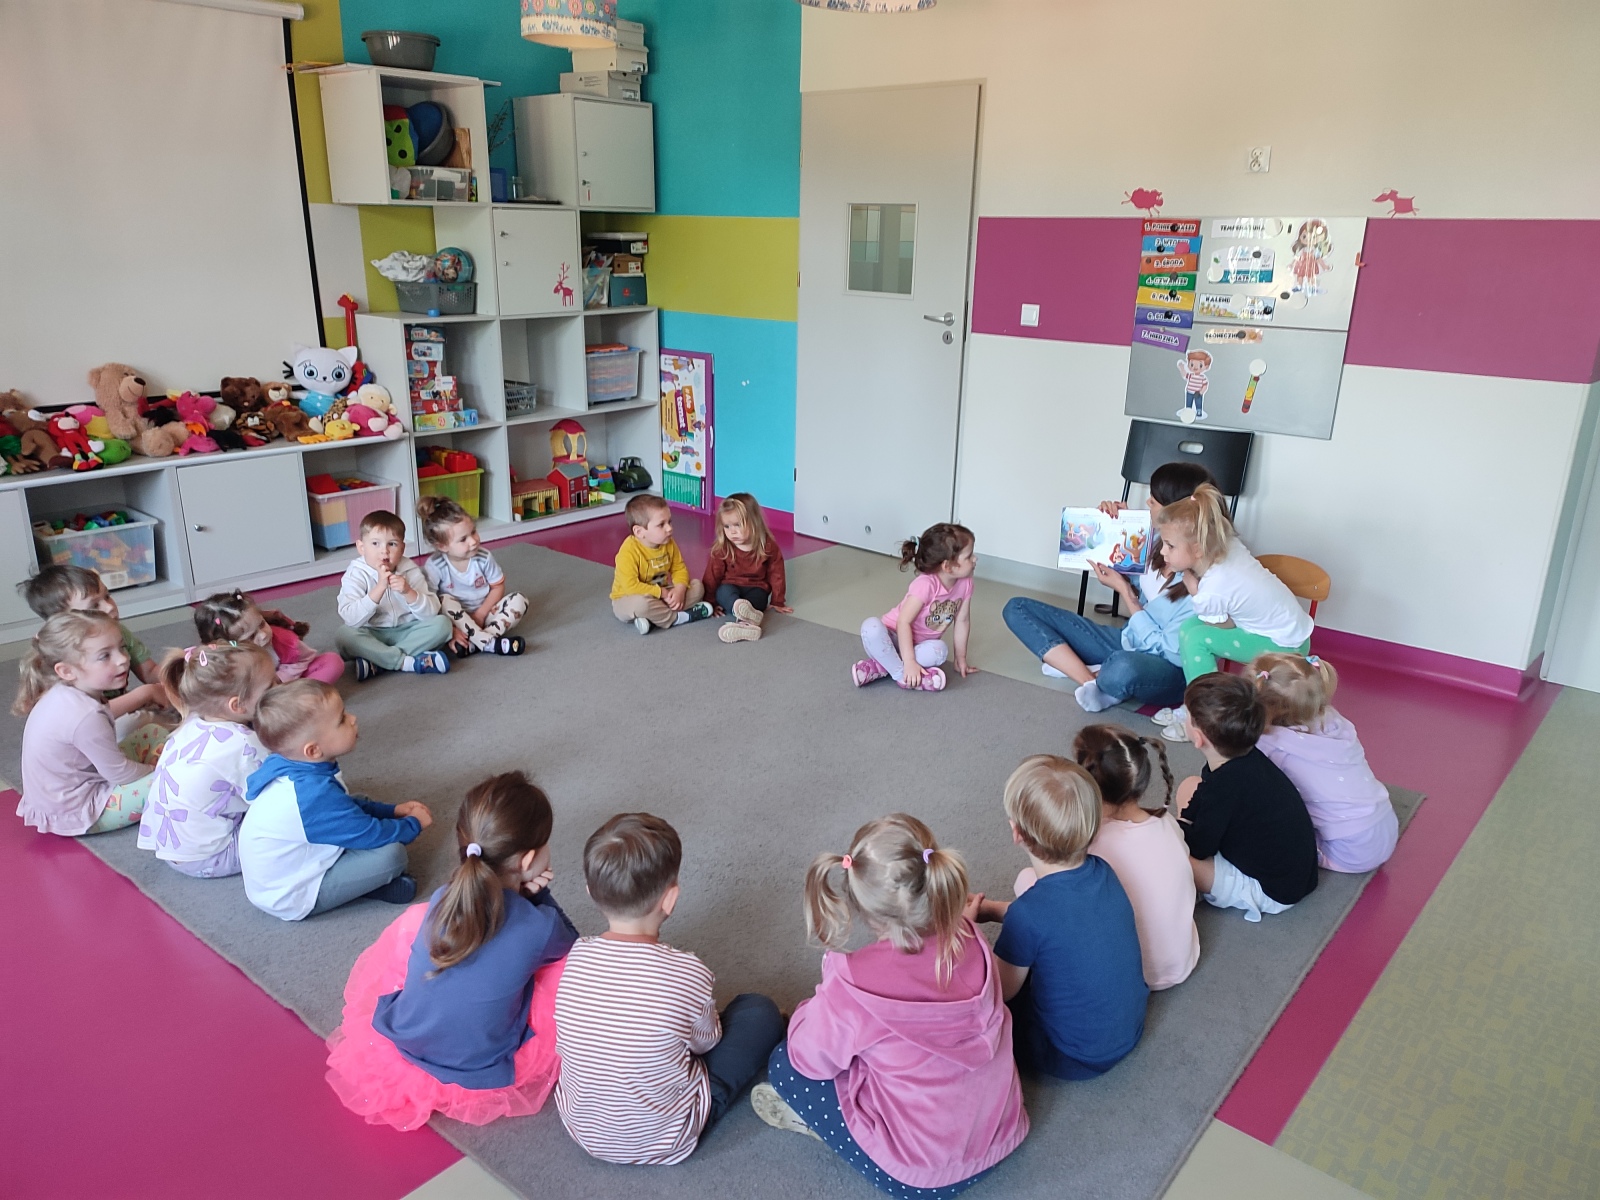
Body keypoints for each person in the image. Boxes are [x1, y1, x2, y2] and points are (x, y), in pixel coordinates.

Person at [753, 814, 1027, 1197]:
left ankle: (833, 1131)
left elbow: (807, 1057)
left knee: (784, 1065)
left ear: (860, 906)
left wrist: (821, 996)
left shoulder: (852, 983)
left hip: (922, 1177)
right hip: (1004, 1131)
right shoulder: (968, 934)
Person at [325, 771, 577, 1131]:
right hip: (478, 1061)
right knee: (568, 969)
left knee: (418, 928)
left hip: (410, 1037)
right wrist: (540, 897)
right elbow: (571, 943)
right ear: (527, 860)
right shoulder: (540, 925)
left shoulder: (444, 896)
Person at [554, 812, 784, 1165]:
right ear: (670, 899)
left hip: (584, 1130)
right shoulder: (689, 971)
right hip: (666, 1137)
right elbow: (707, 1042)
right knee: (759, 1013)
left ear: (590, 893)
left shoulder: (576, 957)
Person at [974, 758, 1148, 1080]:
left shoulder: (1029, 914)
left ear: (1016, 832)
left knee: (983, 1013)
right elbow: (1062, 922)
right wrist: (996, 910)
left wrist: (965, 932)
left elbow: (1002, 991)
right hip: (1128, 1031)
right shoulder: (1104, 871)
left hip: (1071, 1056)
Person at [1002, 461, 1217, 713]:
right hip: (1127, 639)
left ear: (1176, 510)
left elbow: (1169, 652)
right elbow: (1140, 583)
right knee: (1017, 608)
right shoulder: (1161, 542)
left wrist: (1125, 593)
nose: (1147, 502)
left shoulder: (1202, 580)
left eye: (1154, 500)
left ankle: (1077, 665)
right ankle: (1089, 679)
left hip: (1164, 667)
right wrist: (1120, 526)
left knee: (1123, 667)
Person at [239, 680, 431, 920]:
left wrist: (392, 811)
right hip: (291, 895)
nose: (353, 719)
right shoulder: (311, 795)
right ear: (313, 750)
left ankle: (362, 882)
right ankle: (367, 886)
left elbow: (344, 805)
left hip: (301, 859)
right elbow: (371, 834)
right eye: (342, 719)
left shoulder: (295, 764)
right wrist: (413, 824)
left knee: (355, 801)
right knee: (392, 856)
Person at [1154, 483, 1313, 741]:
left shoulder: (1212, 590)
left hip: (1284, 645)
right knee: (1189, 627)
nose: (1163, 551)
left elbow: (1225, 625)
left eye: (1170, 546)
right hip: (1290, 630)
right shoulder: (1228, 545)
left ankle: (1204, 716)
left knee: (1197, 639)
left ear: (1198, 549)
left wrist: (1194, 591)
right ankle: (1193, 704)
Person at [1174, 673, 1319, 922]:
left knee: (1171, 855)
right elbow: (1205, 794)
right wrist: (1184, 823)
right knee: (1190, 786)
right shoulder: (1245, 758)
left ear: (1198, 738)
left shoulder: (1224, 788)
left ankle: (1193, 888)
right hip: (1293, 872)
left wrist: (1172, 831)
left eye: (1186, 714)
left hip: (1271, 891)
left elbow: (1199, 847)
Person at [13, 611, 169, 835]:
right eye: (105, 656)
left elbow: (104, 718)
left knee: (152, 731)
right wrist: (156, 770)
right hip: (80, 811)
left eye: (122, 647)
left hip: (67, 793)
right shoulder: (85, 715)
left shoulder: (66, 691)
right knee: (172, 779)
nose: (123, 659)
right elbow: (120, 774)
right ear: (67, 670)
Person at [135, 642, 275, 877]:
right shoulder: (243, 744)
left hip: (171, 849)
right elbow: (271, 798)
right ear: (237, 705)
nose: (282, 687)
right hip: (212, 857)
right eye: (271, 686)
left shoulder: (191, 723)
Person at [1074, 725, 1198, 990]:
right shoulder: (1167, 822)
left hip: (1133, 972)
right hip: (1182, 961)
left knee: (1033, 880)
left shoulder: (1092, 844)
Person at [1253, 652, 1398, 873]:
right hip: (1385, 824)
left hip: (1350, 851)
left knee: (1260, 830)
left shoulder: (1268, 742)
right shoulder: (1333, 719)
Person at [19, 563, 170, 732]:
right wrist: (144, 694)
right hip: (87, 727)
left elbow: (149, 672)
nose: (109, 606)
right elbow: (85, 717)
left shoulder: (115, 631)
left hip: (110, 713)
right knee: (148, 723)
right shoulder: (57, 654)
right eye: (94, 606)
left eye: (107, 596)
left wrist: (179, 669)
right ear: (63, 620)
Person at [853, 523, 978, 692]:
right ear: (948, 566)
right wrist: (910, 661)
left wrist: (960, 658)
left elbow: (962, 620)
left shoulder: (966, 583)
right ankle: (901, 675)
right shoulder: (925, 584)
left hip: (919, 645)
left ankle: (883, 666)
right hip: (891, 638)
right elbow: (903, 622)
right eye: (969, 556)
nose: (975, 559)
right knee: (871, 627)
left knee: (940, 651)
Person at [334, 510, 453, 680]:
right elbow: (351, 618)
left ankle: (378, 661)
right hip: (371, 631)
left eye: (392, 544)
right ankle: (407, 662)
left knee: (443, 625)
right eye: (375, 543)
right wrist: (378, 589)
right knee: (344, 635)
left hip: (408, 630)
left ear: (402, 548)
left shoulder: (410, 570)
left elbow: (431, 612)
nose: (384, 551)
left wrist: (409, 592)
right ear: (361, 547)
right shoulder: (355, 574)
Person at [416, 495, 527, 658]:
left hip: (485, 612)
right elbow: (430, 602)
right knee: (443, 600)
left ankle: (477, 642)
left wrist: (480, 615)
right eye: (463, 539)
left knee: (520, 600)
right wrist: (453, 630)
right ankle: (489, 643)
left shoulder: (483, 557)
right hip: (455, 619)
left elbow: (497, 587)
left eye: (473, 532)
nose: (473, 541)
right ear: (443, 546)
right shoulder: (435, 565)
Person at [610, 494, 714, 635]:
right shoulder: (628, 551)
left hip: (661, 595)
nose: (669, 528)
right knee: (641, 605)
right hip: (628, 597)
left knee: (698, 587)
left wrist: (680, 590)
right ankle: (678, 618)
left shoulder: (668, 543)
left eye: (669, 522)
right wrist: (662, 593)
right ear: (639, 532)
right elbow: (631, 586)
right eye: (661, 525)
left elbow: (679, 568)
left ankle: (654, 618)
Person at [193, 588, 343, 684]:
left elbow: (304, 658)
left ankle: (300, 701)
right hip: (251, 695)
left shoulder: (284, 640)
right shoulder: (217, 658)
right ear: (227, 644)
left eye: (262, 624)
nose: (264, 635)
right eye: (251, 636)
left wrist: (281, 678)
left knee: (332, 662)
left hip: (286, 684)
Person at [701, 492, 790, 644]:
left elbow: (777, 573)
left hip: (756, 587)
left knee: (759, 599)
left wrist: (778, 600)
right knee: (724, 593)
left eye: (738, 525)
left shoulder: (767, 546)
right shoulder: (722, 549)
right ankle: (743, 614)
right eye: (727, 526)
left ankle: (744, 623)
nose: (732, 531)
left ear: (754, 523)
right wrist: (710, 602)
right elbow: (712, 576)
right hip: (730, 585)